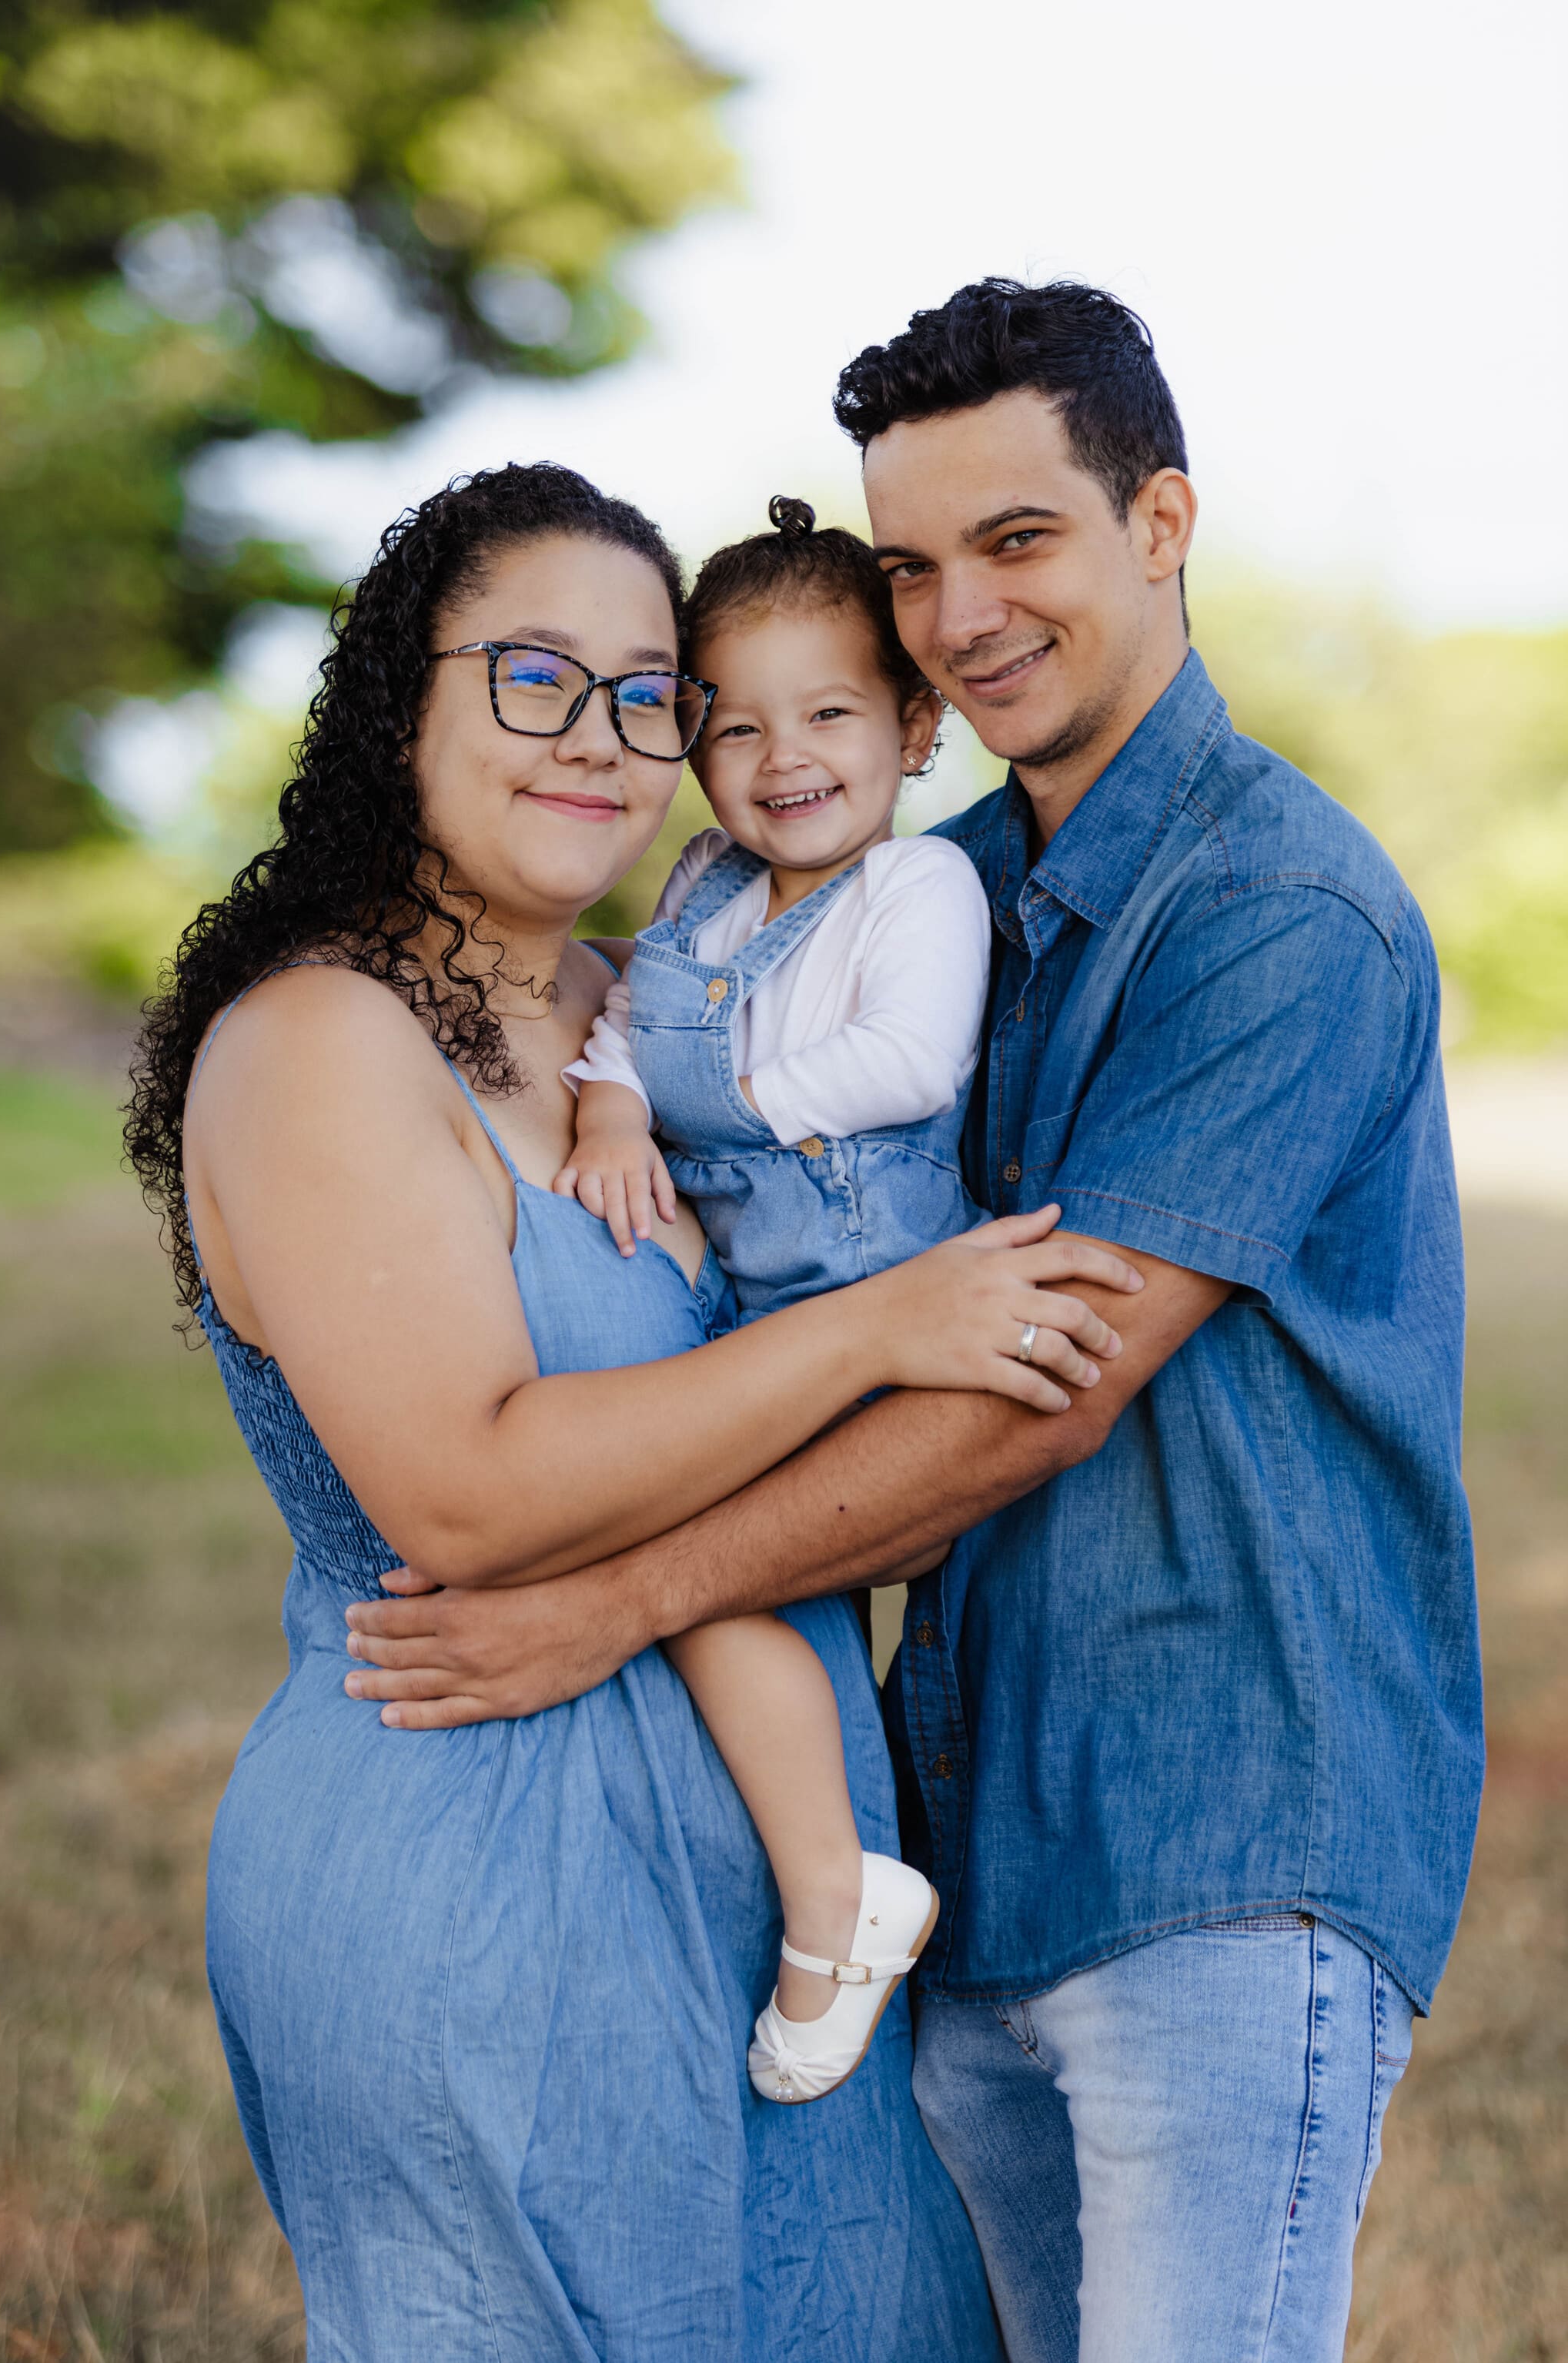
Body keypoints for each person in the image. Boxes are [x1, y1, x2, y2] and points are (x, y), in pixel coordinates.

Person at [347, 285, 1485, 2363]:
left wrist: (615, 1592)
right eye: (910, 565)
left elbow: (1032, 1393)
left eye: (1017, 540)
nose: (954, 610)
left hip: (1219, 1832)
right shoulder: (903, 882)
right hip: (971, 1823)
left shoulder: (1272, 914)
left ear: (1159, 521)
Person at [125, 458, 1139, 2358]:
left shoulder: (663, 1010)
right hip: (484, 1868)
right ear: (397, 704)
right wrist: (873, 1335)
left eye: (645, 689)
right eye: (530, 676)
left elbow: (879, 1496)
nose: (599, 736)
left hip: (792, 1888)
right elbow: (474, 1495)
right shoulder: (316, 1040)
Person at [558, 494, 1056, 2104]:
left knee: (712, 1572)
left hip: (878, 1301)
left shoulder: (917, 890)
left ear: (916, 727)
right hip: (762, 1317)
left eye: (832, 712)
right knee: (715, 1574)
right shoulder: (707, 889)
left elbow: (909, 1059)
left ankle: (839, 1898)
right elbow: (632, 1026)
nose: (786, 757)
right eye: (736, 725)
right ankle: (815, 1872)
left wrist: (725, 1107)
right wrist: (621, 1107)